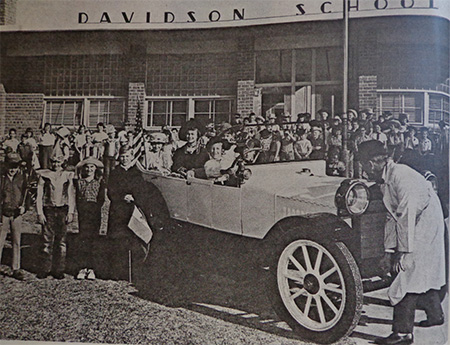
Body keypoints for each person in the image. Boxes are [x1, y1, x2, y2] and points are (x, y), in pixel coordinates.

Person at [358, 140, 446, 345]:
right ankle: (435, 316)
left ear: (370, 163)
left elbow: (406, 217)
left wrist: (402, 253)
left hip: (425, 219)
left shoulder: (401, 177)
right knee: (424, 270)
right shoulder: (386, 180)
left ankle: (403, 333)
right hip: (415, 217)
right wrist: (388, 251)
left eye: (363, 165)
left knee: (407, 273)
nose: (363, 169)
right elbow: (392, 217)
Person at [106, 146, 169, 280]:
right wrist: (121, 197)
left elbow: (142, 191)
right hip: (118, 209)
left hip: (132, 210)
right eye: (122, 156)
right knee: (117, 239)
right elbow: (110, 190)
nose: (125, 159)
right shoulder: (115, 172)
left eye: (127, 156)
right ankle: (117, 271)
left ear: (132, 156)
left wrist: (134, 197)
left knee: (133, 238)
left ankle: (134, 271)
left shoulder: (136, 173)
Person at [35, 151, 76, 279]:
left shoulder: (67, 175)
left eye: (58, 162)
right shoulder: (44, 175)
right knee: (47, 241)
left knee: (61, 241)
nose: (56, 164)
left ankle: (59, 269)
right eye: (54, 162)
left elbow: (71, 195)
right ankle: (45, 268)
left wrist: (70, 211)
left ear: (63, 162)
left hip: (63, 209)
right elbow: (39, 195)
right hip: (49, 209)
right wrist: (40, 213)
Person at [73, 157, 105, 280]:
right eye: (87, 167)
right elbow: (77, 198)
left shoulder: (99, 182)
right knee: (83, 239)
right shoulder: (79, 182)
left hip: (95, 213)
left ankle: (91, 268)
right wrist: (82, 209)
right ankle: (82, 267)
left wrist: (95, 208)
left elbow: (101, 199)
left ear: (95, 169)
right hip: (83, 212)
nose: (89, 169)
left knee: (94, 240)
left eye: (92, 167)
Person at [0, 153, 27, 280]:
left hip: (16, 215)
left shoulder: (22, 178)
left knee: (16, 241)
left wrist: (25, 207)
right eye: (10, 166)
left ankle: (16, 268)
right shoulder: (1, 178)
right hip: (3, 214)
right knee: (0, 241)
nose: (13, 169)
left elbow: (28, 196)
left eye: (15, 166)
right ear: (6, 165)